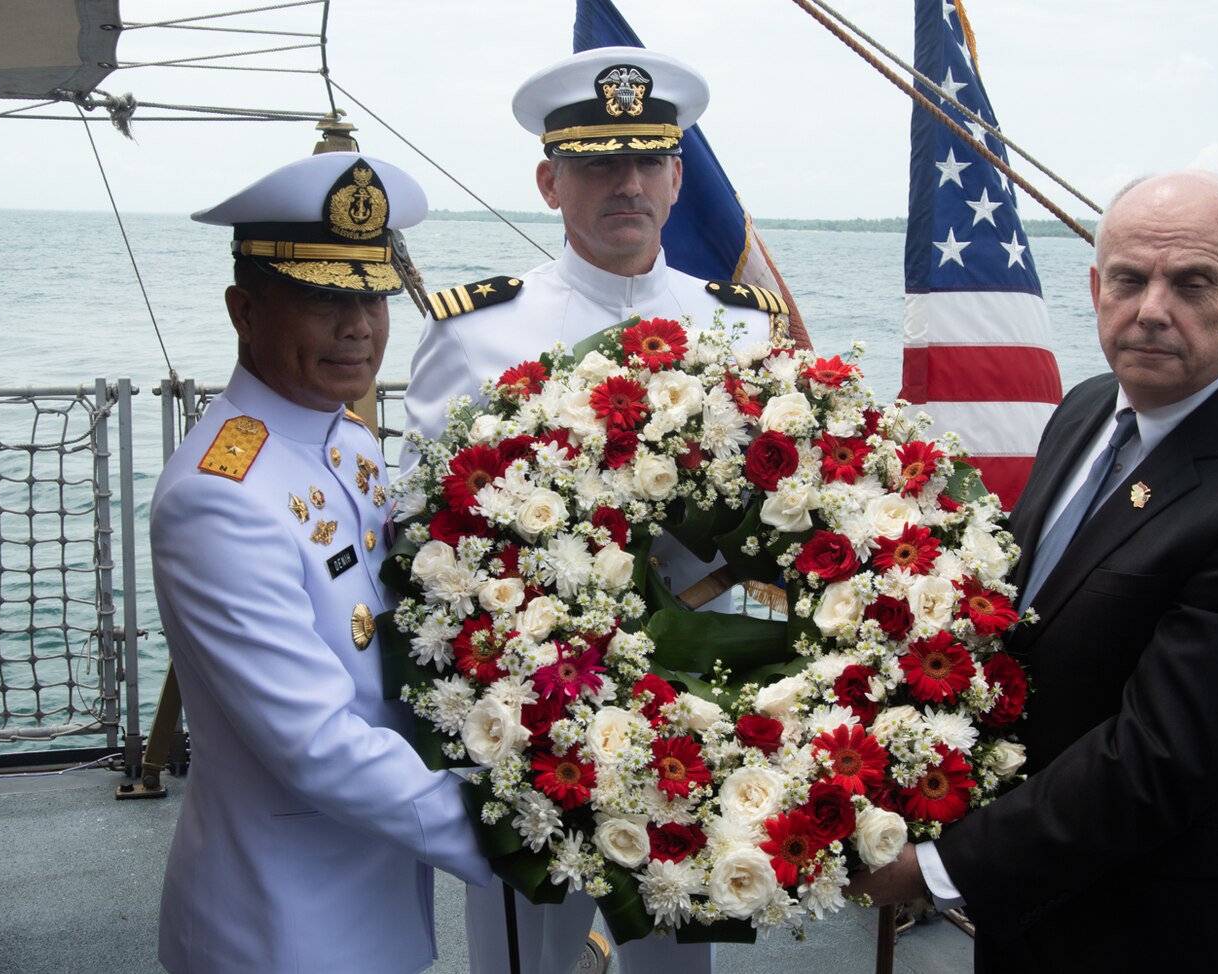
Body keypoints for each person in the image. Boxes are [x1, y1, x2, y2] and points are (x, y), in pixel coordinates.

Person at [846, 171, 1218, 973]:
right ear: (1096, 287)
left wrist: (934, 867)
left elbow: (1159, 757)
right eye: (1129, 279)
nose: (1153, 308)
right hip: (1026, 901)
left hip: (1149, 928)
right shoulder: (1091, 406)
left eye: (1194, 283)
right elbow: (1024, 619)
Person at [400, 46, 774, 974]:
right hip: (534, 706)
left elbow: (770, 520)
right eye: (599, 163)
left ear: (679, 179)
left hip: (693, 686)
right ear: (549, 181)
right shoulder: (477, 327)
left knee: (675, 933)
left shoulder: (743, 326)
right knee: (531, 947)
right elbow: (418, 520)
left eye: (648, 161)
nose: (627, 184)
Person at [152, 151, 490, 973]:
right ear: (244, 308)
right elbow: (315, 743)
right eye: (322, 296)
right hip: (277, 922)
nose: (359, 327)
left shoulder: (347, 439)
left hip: (370, 893)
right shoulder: (219, 496)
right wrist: (514, 836)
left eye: (371, 295)